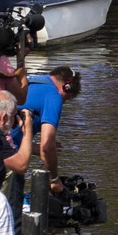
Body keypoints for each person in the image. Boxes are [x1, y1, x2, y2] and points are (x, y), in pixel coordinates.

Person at [23, 67, 81, 197]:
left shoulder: (33, 81)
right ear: (67, 87)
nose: (64, 102)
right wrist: (54, 179)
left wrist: (36, 149)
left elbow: (11, 139)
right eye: (67, 98)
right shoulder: (54, 95)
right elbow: (47, 147)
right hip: (8, 160)